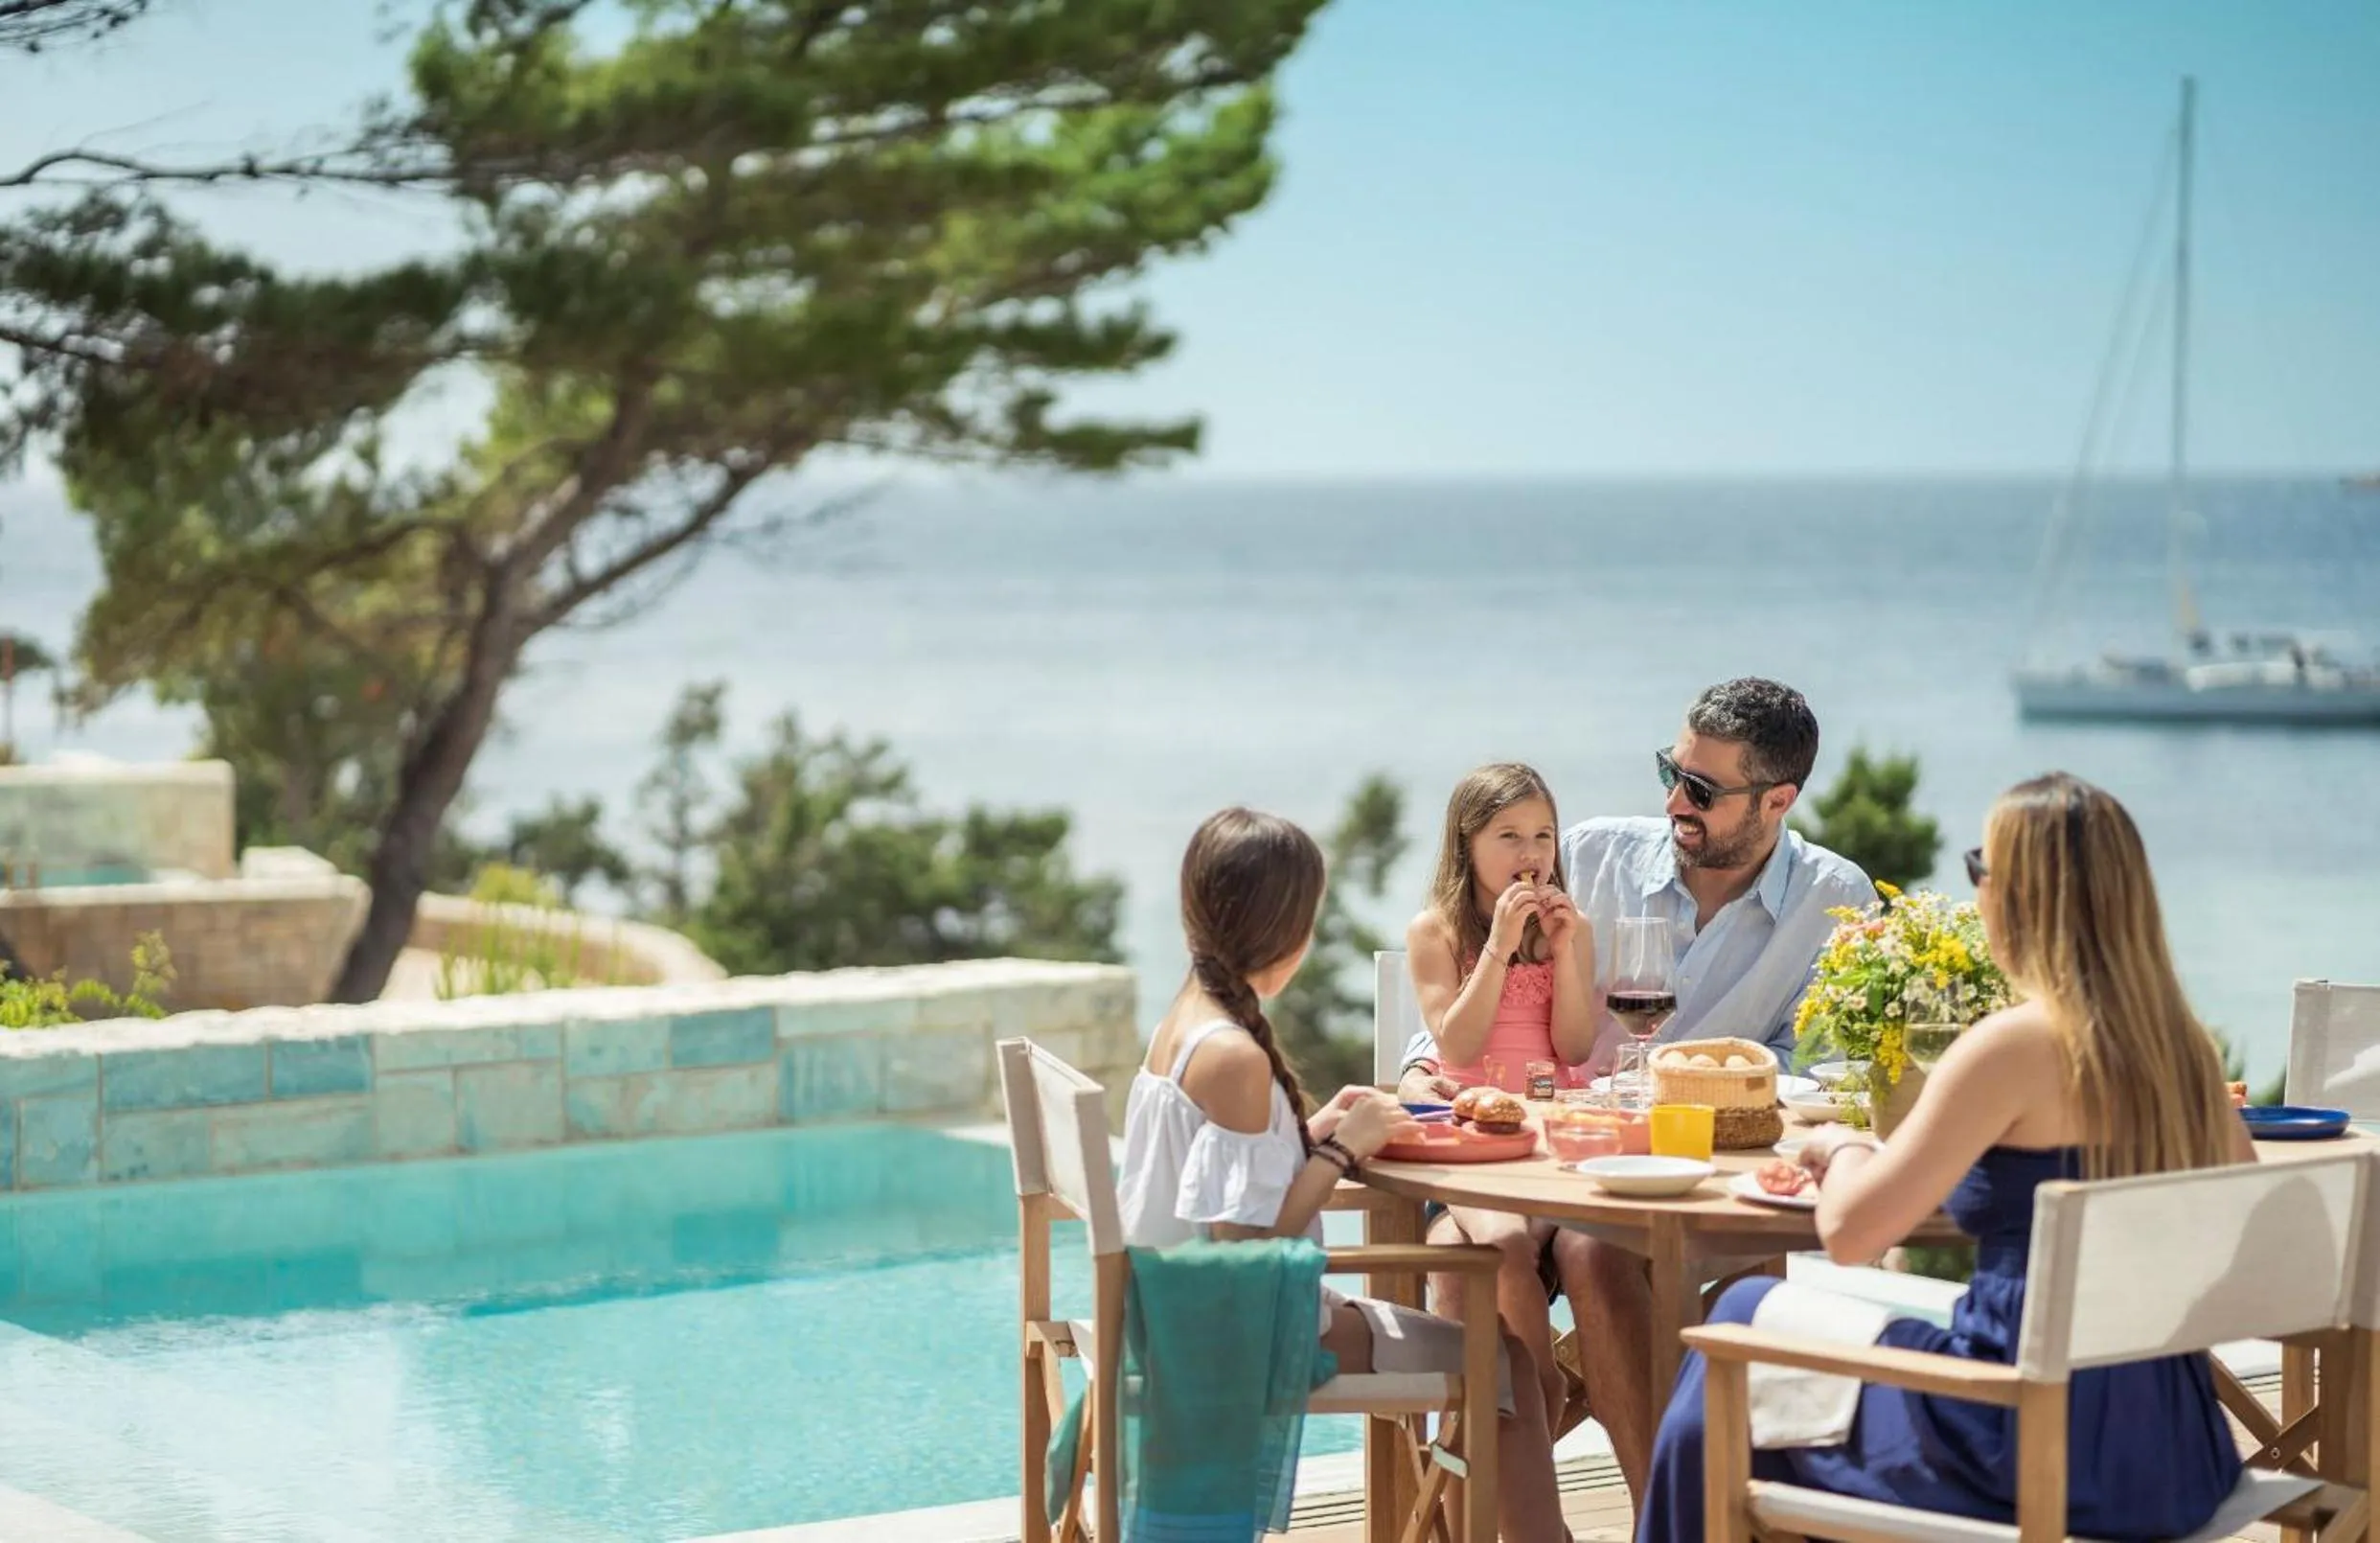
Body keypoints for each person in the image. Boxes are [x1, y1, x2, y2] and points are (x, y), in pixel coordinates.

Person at [1636, 772, 2253, 1541]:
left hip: (2018, 1437)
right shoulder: (2185, 1051)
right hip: (2167, 1445)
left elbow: (1853, 1236)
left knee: (1736, 1327)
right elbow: (2238, 1229)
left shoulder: (2018, 1045)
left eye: (1980, 868)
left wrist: (1849, 1145)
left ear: (2019, 895)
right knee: (1756, 1349)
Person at [1394, 678, 1874, 1497]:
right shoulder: (1591, 854)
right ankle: (1682, 1513)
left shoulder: (1836, 903)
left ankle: (1673, 1509)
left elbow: (1820, 1075)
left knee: (1597, 1246)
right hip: (1553, 1169)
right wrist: (1420, 1079)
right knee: (1580, 1246)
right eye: (1670, 771)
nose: (1674, 802)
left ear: (1777, 800)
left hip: (1699, 1187)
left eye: (1702, 790)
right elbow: (1478, 1013)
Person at [1117, 807, 1571, 1543]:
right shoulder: (1234, 1055)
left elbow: (1217, 1183)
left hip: (1164, 1312)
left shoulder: (1185, 1018)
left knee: (1497, 1353)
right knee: (1508, 1363)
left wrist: (1314, 1128)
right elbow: (1243, 1246)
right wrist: (1339, 1154)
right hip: (1233, 1331)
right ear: (1288, 929)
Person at [1406, 764, 1597, 1430]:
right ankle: (1541, 1375)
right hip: (1466, 1137)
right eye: (1509, 836)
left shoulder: (1570, 927)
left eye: (1543, 835)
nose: (1531, 854)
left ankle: (1529, 1385)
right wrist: (1497, 948)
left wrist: (1566, 952)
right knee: (1501, 1239)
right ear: (1466, 843)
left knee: (1513, 1239)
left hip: (1546, 1139)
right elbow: (1455, 1047)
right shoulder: (1435, 932)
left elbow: (1573, 1048)